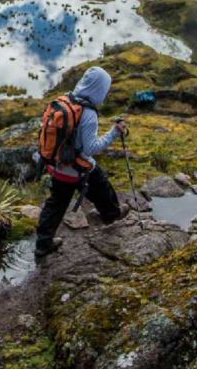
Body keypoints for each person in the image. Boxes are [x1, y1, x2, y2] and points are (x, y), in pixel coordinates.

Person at [35, 66, 125, 257]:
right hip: (78, 169)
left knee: (55, 205)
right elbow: (90, 149)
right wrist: (114, 133)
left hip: (58, 166)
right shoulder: (88, 114)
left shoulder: (65, 100)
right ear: (98, 89)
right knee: (101, 185)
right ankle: (112, 216)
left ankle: (43, 244)